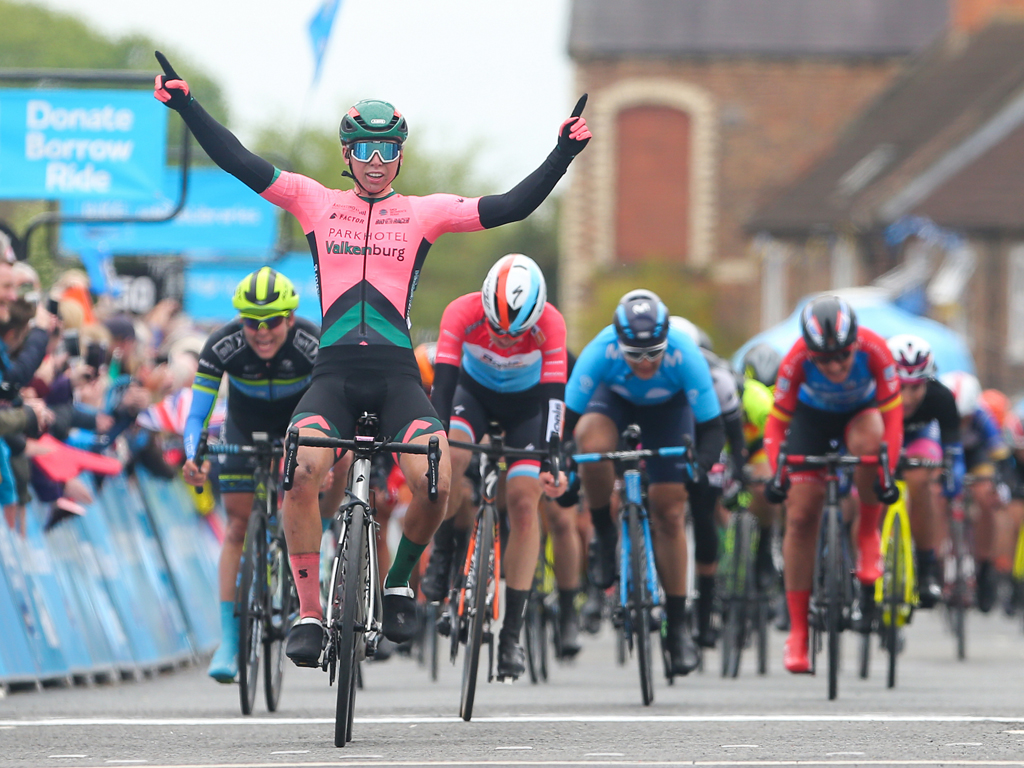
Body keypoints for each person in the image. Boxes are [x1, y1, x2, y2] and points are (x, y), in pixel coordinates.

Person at [154, 53, 591, 667]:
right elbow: (239, 161)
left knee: (437, 479)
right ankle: (308, 611)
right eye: (366, 151)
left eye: (388, 153)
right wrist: (186, 105)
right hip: (332, 374)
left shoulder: (423, 213)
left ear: (400, 158)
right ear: (348, 153)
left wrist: (561, 154)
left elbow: (512, 205)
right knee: (299, 472)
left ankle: (398, 581)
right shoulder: (313, 201)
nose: (378, 163)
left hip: (395, 376)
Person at [564, 290, 725, 675]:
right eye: (634, 355)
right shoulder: (600, 350)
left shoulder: (685, 354)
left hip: (669, 414)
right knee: (592, 442)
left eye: (654, 352)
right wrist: (566, 467)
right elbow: (567, 425)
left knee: (669, 511)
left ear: (666, 341)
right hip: (613, 403)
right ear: (618, 344)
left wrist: (699, 468)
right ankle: (604, 532)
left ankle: (678, 628)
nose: (645, 362)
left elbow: (713, 429)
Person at [425, 254, 568, 678]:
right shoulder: (462, 312)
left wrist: (553, 451)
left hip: (528, 409)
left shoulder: (553, 325)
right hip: (473, 397)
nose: (505, 340)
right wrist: (434, 440)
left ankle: (511, 637)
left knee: (525, 502)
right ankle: (444, 552)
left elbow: (555, 399)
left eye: (516, 333)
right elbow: (444, 391)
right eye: (497, 328)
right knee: (451, 458)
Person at [181, 267, 326, 682]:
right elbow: (197, 413)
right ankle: (230, 639)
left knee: (313, 484)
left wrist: (327, 457)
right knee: (236, 528)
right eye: (251, 322)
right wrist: (194, 454)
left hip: (298, 426)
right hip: (242, 427)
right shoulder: (222, 344)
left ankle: (319, 537)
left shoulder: (310, 343)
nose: (262, 332)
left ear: (291, 318)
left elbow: (332, 407)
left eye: (273, 322)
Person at [763, 295, 902, 674]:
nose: (836, 365)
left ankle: (868, 536)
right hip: (811, 421)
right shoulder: (794, 359)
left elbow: (893, 417)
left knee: (870, 443)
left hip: (862, 417)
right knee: (801, 516)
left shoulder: (875, 349)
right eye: (823, 359)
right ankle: (797, 632)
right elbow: (776, 425)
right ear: (809, 353)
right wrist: (778, 471)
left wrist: (887, 469)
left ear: (854, 343)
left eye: (842, 355)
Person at [670, 315, 746, 649]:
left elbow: (734, 436)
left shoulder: (719, 380)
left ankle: (703, 617)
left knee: (704, 515)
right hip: (668, 436)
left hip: (707, 442)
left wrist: (739, 472)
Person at [886, 334, 962, 608]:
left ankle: (927, 564)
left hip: (921, 440)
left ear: (928, 381)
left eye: (915, 387)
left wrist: (953, 477)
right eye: (900, 387)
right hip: (883, 437)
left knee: (920, 479)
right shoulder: (872, 391)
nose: (907, 397)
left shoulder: (941, 397)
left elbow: (954, 449)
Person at [940, 371, 1011, 613]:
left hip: (975, 458)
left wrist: (998, 481)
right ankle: (936, 553)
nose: (961, 423)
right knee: (935, 494)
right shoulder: (937, 414)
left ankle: (985, 563)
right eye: (955, 418)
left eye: (965, 418)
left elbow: (998, 452)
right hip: (946, 455)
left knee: (985, 495)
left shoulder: (982, 416)